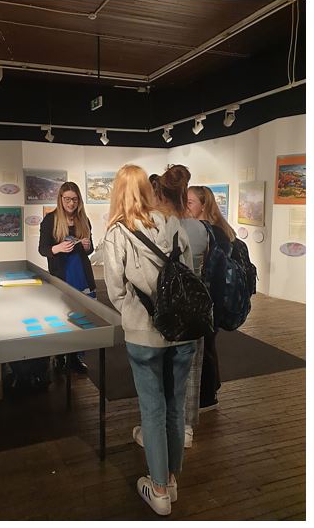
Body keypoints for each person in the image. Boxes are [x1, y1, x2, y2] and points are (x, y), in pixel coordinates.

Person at [103, 164, 196, 516]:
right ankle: (171, 481)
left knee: (153, 410)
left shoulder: (117, 233)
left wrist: (137, 315)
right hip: (183, 332)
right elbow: (189, 276)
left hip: (144, 335)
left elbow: (115, 290)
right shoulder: (173, 225)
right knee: (175, 407)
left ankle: (158, 490)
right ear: (147, 189)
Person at [132, 165, 210, 449]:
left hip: (162, 311)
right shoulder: (199, 229)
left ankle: (156, 435)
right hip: (194, 309)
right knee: (187, 376)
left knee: (158, 379)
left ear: (159, 195)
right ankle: (184, 430)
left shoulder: (157, 228)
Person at [38, 181, 95, 375]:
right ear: (60, 199)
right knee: (63, 319)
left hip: (82, 276)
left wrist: (88, 247)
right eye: (67, 199)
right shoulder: (50, 220)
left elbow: (90, 250)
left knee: (81, 319)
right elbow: (43, 249)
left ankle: (74, 358)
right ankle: (60, 357)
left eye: (75, 199)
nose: (71, 203)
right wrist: (58, 248)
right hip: (62, 276)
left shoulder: (83, 220)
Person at [188, 185, 235, 411]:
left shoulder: (212, 232)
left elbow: (213, 270)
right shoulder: (218, 230)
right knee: (209, 345)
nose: (185, 206)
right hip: (213, 298)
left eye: (190, 202)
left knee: (205, 347)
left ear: (203, 205)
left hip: (210, 299)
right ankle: (212, 388)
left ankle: (207, 397)